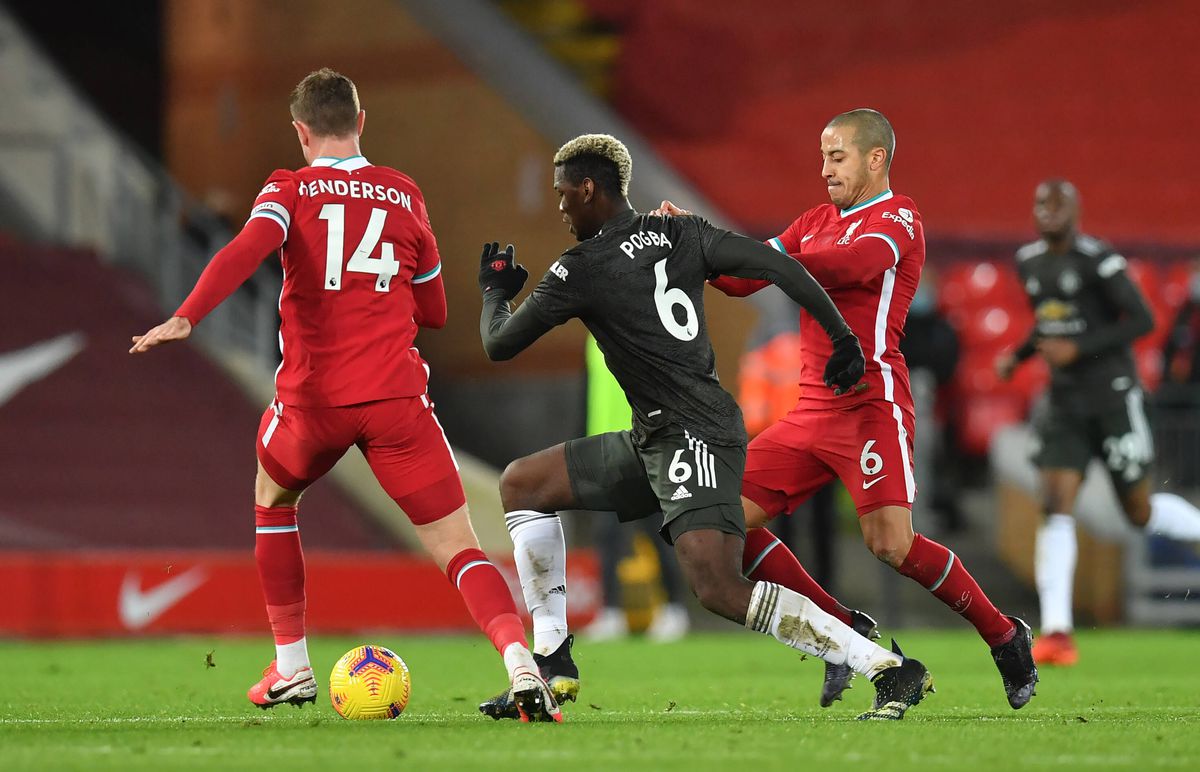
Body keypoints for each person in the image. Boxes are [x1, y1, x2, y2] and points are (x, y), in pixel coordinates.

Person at [129, 68, 561, 722]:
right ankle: (519, 661)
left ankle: (293, 665)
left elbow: (251, 245)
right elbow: (436, 310)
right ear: (361, 123)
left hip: (314, 401)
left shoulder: (289, 188)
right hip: (395, 401)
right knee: (461, 548)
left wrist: (190, 313)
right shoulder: (404, 195)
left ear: (301, 132)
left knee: (272, 497)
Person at [477, 133, 934, 722]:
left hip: (693, 438)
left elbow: (498, 344)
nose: (561, 207)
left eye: (564, 195)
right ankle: (551, 662)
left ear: (589, 190)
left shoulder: (580, 268)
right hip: (659, 437)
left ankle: (888, 668)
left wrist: (495, 292)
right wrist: (841, 336)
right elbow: (776, 264)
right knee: (522, 485)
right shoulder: (681, 233)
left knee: (718, 589)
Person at [657, 109, 1038, 710]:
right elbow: (741, 282)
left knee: (891, 545)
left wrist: (767, 260)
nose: (825, 167)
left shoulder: (898, 216)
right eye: (823, 156)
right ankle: (847, 627)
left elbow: (857, 265)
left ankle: (1004, 634)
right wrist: (696, 244)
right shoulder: (813, 221)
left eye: (837, 156)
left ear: (875, 159)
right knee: (718, 519)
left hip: (870, 407)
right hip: (809, 411)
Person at [996, 179, 1200, 666]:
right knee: (1055, 503)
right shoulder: (1029, 262)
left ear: (1076, 211)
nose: (1049, 211)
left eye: (1058, 204)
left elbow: (1143, 320)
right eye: (1042, 203)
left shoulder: (1097, 261)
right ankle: (1058, 632)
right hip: (1064, 404)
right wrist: (1021, 355)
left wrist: (1078, 349)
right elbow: (1049, 323)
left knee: (1139, 513)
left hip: (1112, 397)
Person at [581, 336, 692, 643]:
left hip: (644, 444)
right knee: (607, 534)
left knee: (656, 529)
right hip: (604, 447)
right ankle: (611, 613)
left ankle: (673, 610)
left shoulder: (636, 325)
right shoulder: (593, 337)